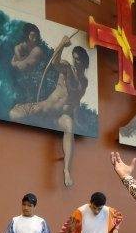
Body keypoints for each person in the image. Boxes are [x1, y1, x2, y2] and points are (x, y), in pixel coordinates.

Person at [9, 37, 90, 187]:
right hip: (47, 107)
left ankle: (66, 170)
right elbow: (55, 62)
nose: (75, 61)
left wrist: (77, 118)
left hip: (60, 117)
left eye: (78, 59)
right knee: (14, 114)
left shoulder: (84, 81)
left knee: (69, 125)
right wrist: (62, 45)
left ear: (84, 62)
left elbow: (75, 98)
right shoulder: (66, 68)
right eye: (74, 58)